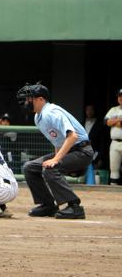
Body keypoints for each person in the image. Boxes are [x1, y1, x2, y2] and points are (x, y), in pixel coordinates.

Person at [17, 83, 93, 219]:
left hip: (82, 151)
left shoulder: (51, 111)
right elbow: (58, 141)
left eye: (30, 99)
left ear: (40, 99)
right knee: (30, 168)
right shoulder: (38, 117)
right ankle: (48, 205)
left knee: (51, 168)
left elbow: (72, 136)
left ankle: (75, 206)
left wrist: (56, 160)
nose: (27, 102)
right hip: (71, 151)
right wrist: (56, 158)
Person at [104, 89, 122, 185]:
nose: (121, 98)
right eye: (119, 96)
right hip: (115, 142)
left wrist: (114, 120)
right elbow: (106, 122)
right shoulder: (113, 109)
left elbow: (120, 124)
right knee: (114, 168)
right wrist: (118, 120)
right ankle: (113, 191)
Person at [83, 104, 105, 170]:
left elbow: (102, 143)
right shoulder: (81, 124)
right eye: (87, 110)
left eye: (91, 110)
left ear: (94, 111)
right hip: (82, 154)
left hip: (95, 154)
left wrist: (100, 159)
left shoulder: (100, 125)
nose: (89, 112)